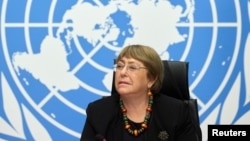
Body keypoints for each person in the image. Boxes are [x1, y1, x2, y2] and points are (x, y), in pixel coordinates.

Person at [80, 44, 201, 141]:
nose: (122, 72)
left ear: (151, 80)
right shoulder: (98, 112)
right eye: (120, 66)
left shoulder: (177, 112)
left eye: (132, 67)